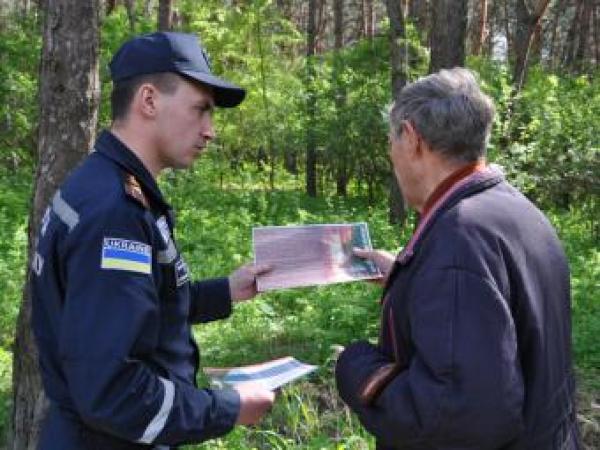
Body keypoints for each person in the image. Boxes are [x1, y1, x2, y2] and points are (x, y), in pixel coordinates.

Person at [30, 32, 275, 449]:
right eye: (200, 110)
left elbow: (137, 306)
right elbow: (112, 392)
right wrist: (225, 409)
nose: (210, 131)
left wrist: (225, 292)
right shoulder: (114, 212)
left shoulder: (104, 182)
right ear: (148, 100)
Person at [335, 68, 580, 449]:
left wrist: (355, 367)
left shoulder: (459, 238)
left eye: (391, 142)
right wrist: (409, 274)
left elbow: (454, 416)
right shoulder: (516, 210)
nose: (391, 157)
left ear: (413, 139)